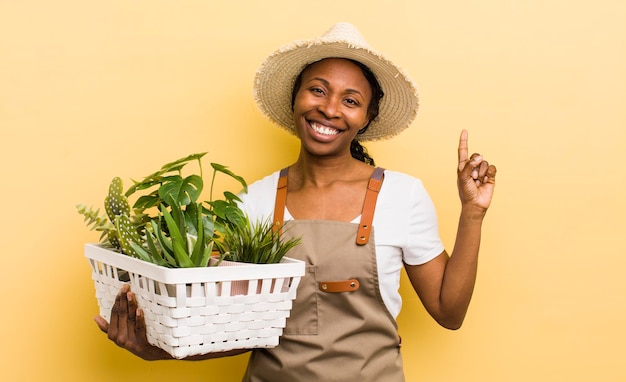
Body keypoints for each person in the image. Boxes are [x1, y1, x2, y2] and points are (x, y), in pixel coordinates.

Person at [95, 22, 497, 381]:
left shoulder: (403, 195)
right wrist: (159, 350)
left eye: (351, 100)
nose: (329, 108)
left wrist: (473, 213)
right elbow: (238, 332)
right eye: (317, 90)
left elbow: (449, 312)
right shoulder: (254, 201)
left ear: (366, 119)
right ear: (296, 98)